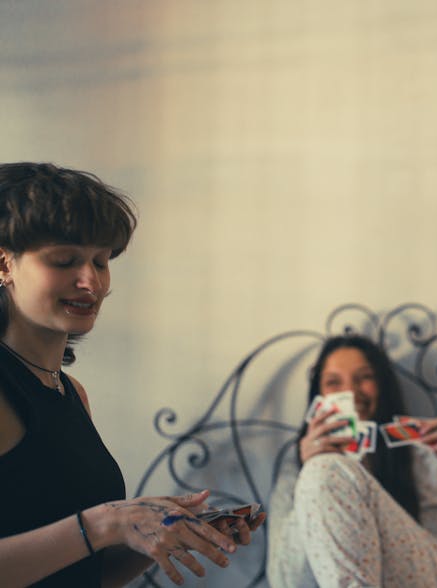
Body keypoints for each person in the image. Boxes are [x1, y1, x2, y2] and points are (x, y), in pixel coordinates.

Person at [0, 162, 263, 588]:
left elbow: (87, 574)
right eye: (66, 260)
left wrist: (160, 536)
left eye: (101, 261)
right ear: (4, 263)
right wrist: (104, 524)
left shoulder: (71, 393)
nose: (91, 281)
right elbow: (88, 534)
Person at [267, 334, 437, 588]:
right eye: (334, 382)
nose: (350, 392)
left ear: (384, 386)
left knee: (325, 470)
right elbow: (285, 582)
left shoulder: (431, 457)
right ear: (318, 397)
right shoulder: (296, 471)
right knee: (322, 471)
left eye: (364, 377)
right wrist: (311, 473)